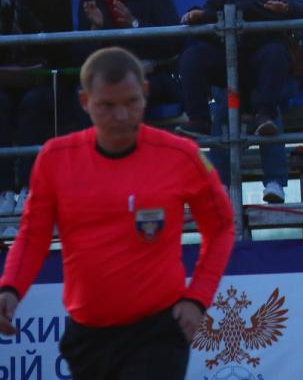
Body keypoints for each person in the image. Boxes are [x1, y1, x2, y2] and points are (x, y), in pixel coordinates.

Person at [0, 47, 234, 379]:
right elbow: (33, 235)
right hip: (88, 336)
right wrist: (10, 288)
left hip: (157, 333)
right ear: (85, 102)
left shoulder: (182, 156)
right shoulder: (55, 159)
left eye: (131, 102)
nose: (122, 115)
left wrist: (197, 299)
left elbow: (222, 227)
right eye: (107, 106)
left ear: (146, 93)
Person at [179, 0, 303, 203]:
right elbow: (207, 15)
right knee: (195, 63)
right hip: (230, 72)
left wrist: (286, 10)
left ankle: (274, 182)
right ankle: (217, 173)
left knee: (269, 114)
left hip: (267, 76)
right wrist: (195, 15)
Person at [0, 0, 74, 232]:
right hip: (4, 78)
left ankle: (31, 189)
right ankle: (4, 191)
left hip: (43, 78)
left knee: (34, 104)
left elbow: (61, 50)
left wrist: (29, 23)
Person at [76, 0, 182, 118]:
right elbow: (82, 59)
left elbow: (174, 43)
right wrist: (96, 30)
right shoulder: (89, 1)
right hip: (107, 78)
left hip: (155, 76)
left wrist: (134, 25)